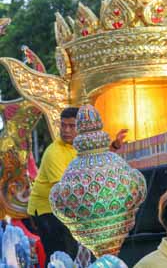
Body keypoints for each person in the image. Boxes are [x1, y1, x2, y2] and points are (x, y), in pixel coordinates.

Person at [28, 107, 127, 259]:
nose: (66, 130)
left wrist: (114, 147)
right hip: (47, 210)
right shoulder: (54, 152)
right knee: (60, 256)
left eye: (72, 126)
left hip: (68, 209)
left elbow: (95, 163)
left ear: (80, 128)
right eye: (63, 125)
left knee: (74, 254)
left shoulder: (79, 148)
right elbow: (65, 192)